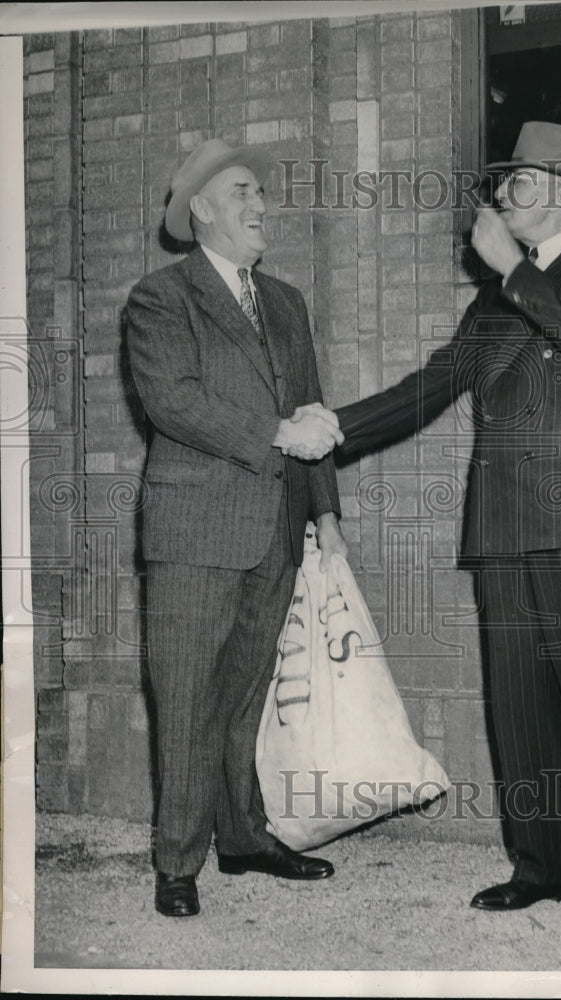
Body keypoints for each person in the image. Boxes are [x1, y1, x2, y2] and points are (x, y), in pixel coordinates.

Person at [299, 122, 561, 932]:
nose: (502, 190)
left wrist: (512, 270)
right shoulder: (494, 298)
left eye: (522, 179)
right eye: (503, 179)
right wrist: (337, 425)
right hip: (504, 522)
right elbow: (434, 382)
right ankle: (545, 867)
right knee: (521, 704)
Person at [125, 138, 347, 918]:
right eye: (245, 192)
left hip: (275, 529)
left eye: (262, 193)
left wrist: (325, 515)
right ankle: (177, 863)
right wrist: (279, 436)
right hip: (194, 530)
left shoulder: (285, 301)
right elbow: (174, 402)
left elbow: (311, 405)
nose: (262, 206)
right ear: (204, 212)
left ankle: (244, 838)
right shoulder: (161, 298)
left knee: (245, 696)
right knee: (185, 701)